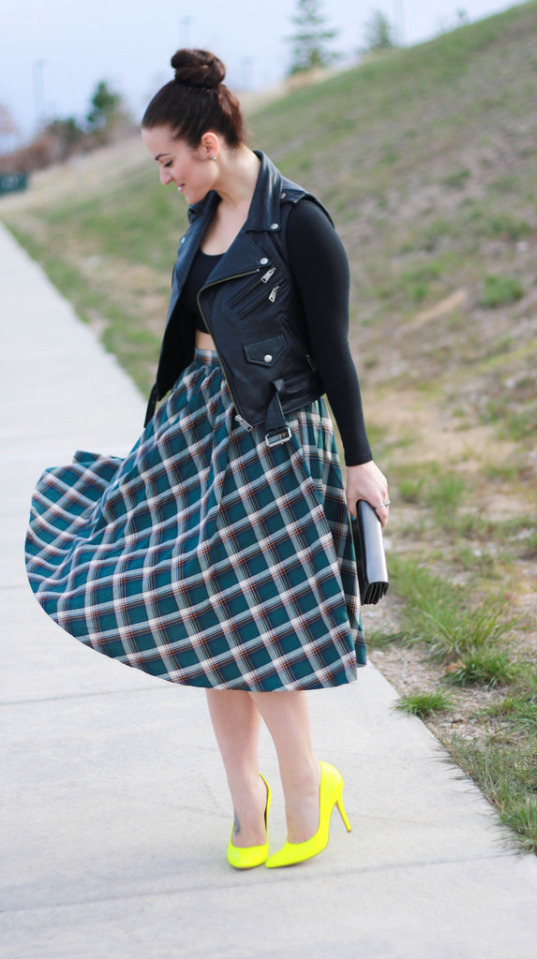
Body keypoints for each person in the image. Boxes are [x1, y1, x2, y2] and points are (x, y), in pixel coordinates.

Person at [25, 49, 389, 870]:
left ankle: (307, 790)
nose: (164, 177)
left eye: (167, 161)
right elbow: (189, 341)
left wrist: (361, 462)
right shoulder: (203, 219)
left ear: (211, 142)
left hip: (274, 445)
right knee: (208, 628)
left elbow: (334, 351)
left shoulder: (298, 222)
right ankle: (246, 807)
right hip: (197, 437)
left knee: (260, 630)